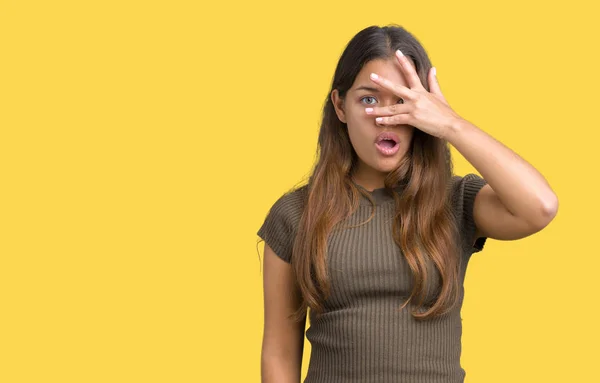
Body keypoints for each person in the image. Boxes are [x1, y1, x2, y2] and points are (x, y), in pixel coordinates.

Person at [257, 24, 558, 383]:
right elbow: (279, 352)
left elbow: (540, 206)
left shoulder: (454, 202)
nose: (386, 117)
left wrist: (451, 124)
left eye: (402, 101)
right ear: (340, 106)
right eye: (368, 99)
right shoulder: (295, 214)